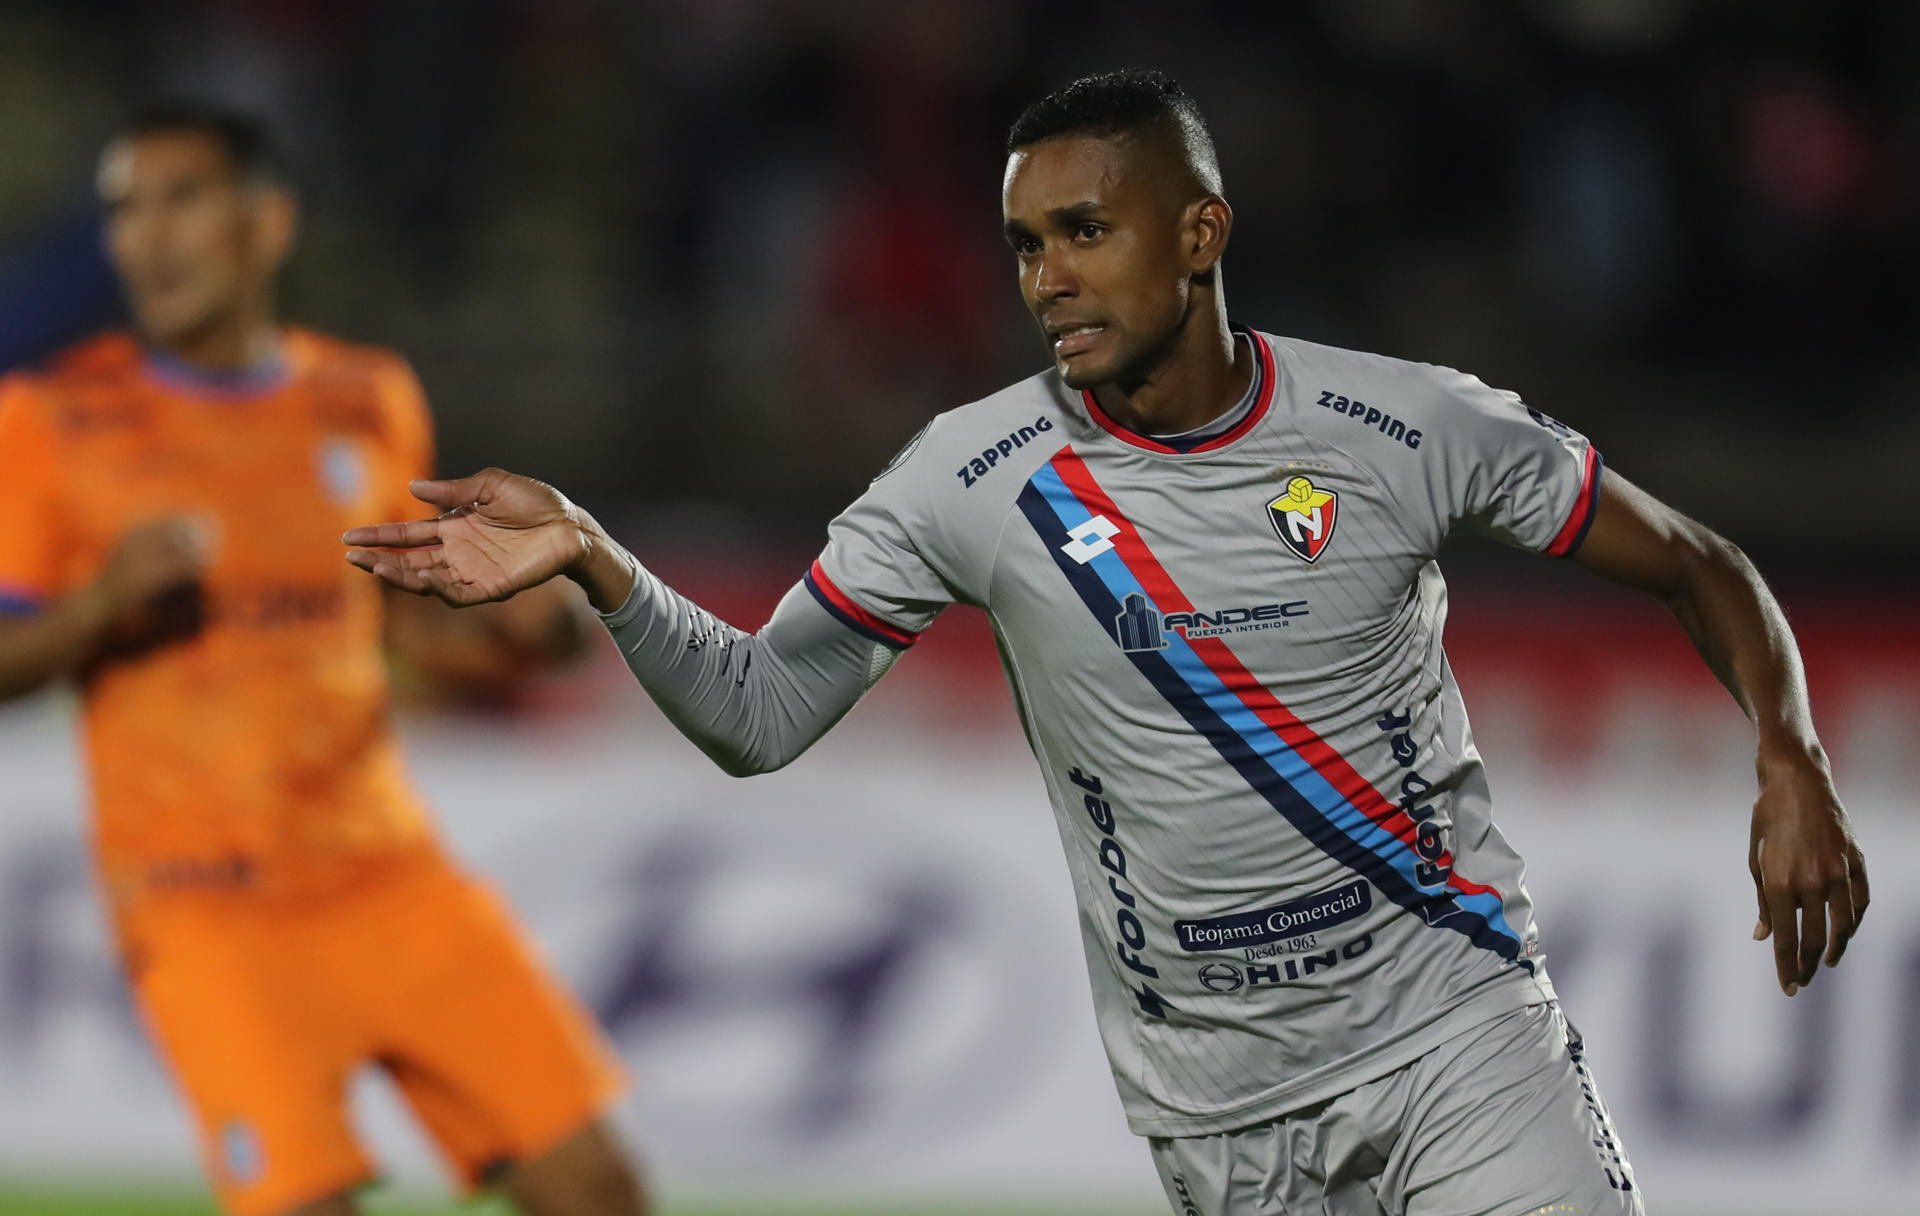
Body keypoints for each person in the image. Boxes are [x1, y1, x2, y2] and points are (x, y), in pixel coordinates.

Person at [345, 71, 1868, 1216]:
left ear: (1201, 232)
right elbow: (758, 710)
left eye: (1086, 230)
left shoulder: (1400, 424)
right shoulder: (968, 478)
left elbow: (1698, 564)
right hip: (1218, 1114)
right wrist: (607, 565)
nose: (1048, 276)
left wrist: (1788, 752)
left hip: (1455, 1030)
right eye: (1023, 244)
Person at [0, 104, 648, 1216]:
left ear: (266, 223)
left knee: (598, 1187)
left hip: (388, 876)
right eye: (123, 209)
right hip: (204, 902)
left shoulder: (368, 398)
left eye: (182, 199)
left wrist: (516, 629)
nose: (147, 237)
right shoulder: (52, 420)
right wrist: (101, 604)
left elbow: (396, 627)